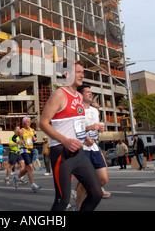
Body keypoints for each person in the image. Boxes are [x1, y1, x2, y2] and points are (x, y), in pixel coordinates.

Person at [39, 60, 103, 211]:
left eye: (82, 72)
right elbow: (43, 123)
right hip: (62, 152)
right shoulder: (59, 95)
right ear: (67, 74)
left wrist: (83, 137)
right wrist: (65, 141)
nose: (82, 75)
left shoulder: (79, 97)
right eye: (79, 72)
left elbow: (76, 123)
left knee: (96, 194)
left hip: (79, 152)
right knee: (62, 200)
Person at [73, 85, 110, 210]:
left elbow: (96, 129)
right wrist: (88, 129)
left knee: (104, 179)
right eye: (87, 92)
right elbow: (74, 130)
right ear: (81, 95)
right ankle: (78, 207)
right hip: (82, 148)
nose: (90, 94)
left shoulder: (95, 111)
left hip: (94, 147)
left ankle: (81, 192)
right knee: (86, 182)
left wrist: (99, 130)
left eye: (90, 92)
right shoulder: (77, 110)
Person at [13, 117, 41, 192]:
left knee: (28, 169)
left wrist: (35, 139)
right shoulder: (21, 131)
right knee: (30, 166)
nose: (29, 123)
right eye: (27, 122)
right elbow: (13, 138)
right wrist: (18, 142)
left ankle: (17, 178)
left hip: (30, 150)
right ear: (24, 123)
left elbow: (34, 139)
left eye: (30, 122)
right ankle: (33, 185)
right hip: (24, 150)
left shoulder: (32, 130)